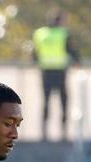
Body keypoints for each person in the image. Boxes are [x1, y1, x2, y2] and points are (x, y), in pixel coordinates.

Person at [32, 9, 81, 141]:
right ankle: (63, 131)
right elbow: (71, 50)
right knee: (64, 101)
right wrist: (78, 62)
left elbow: (34, 54)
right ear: (60, 20)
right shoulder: (63, 33)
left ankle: (43, 131)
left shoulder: (40, 34)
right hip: (59, 72)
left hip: (45, 72)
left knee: (46, 101)